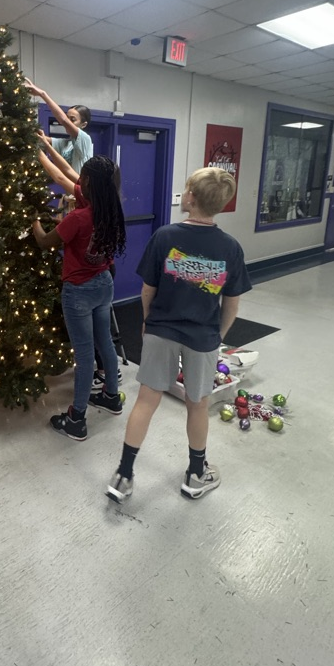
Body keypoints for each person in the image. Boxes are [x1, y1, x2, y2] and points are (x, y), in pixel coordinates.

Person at [106, 168, 251, 504]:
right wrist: (219, 335)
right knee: (197, 406)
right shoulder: (230, 247)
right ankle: (196, 475)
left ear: (191, 198)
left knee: (146, 401)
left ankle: (124, 475)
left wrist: (147, 321)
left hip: (161, 330)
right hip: (203, 337)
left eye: (186, 189)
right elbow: (231, 303)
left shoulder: (165, 236)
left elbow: (147, 289)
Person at [32, 155, 126, 441]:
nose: (78, 181)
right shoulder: (111, 208)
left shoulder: (78, 217)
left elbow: (44, 241)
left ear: (87, 184)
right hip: (103, 283)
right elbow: (65, 175)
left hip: (79, 291)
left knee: (84, 356)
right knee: (105, 342)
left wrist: (34, 220)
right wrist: (45, 150)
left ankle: (77, 418)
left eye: (81, 178)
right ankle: (111, 396)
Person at [24, 77, 93, 175]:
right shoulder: (66, 143)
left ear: (84, 124)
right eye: (67, 117)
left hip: (81, 189)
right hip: (70, 189)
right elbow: (42, 139)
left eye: (72, 120)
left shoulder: (85, 140)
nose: (68, 121)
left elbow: (63, 120)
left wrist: (42, 94)